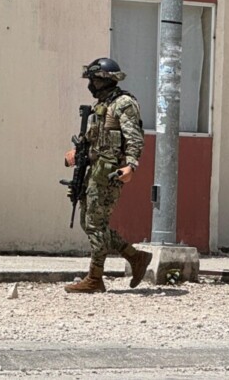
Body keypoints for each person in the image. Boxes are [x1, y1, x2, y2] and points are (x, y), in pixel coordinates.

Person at [63, 58, 152, 293]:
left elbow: (134, 137)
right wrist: (75, 151)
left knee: (94, 224)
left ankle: (95, 278)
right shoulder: (102, 105)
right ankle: (135, 257)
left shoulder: (123, 104)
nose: (90, 84)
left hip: (109, 172)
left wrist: (130, 166)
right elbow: (93, 138)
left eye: (93, 79)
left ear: (104, 80)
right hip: (94, 169)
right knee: (90, 222)